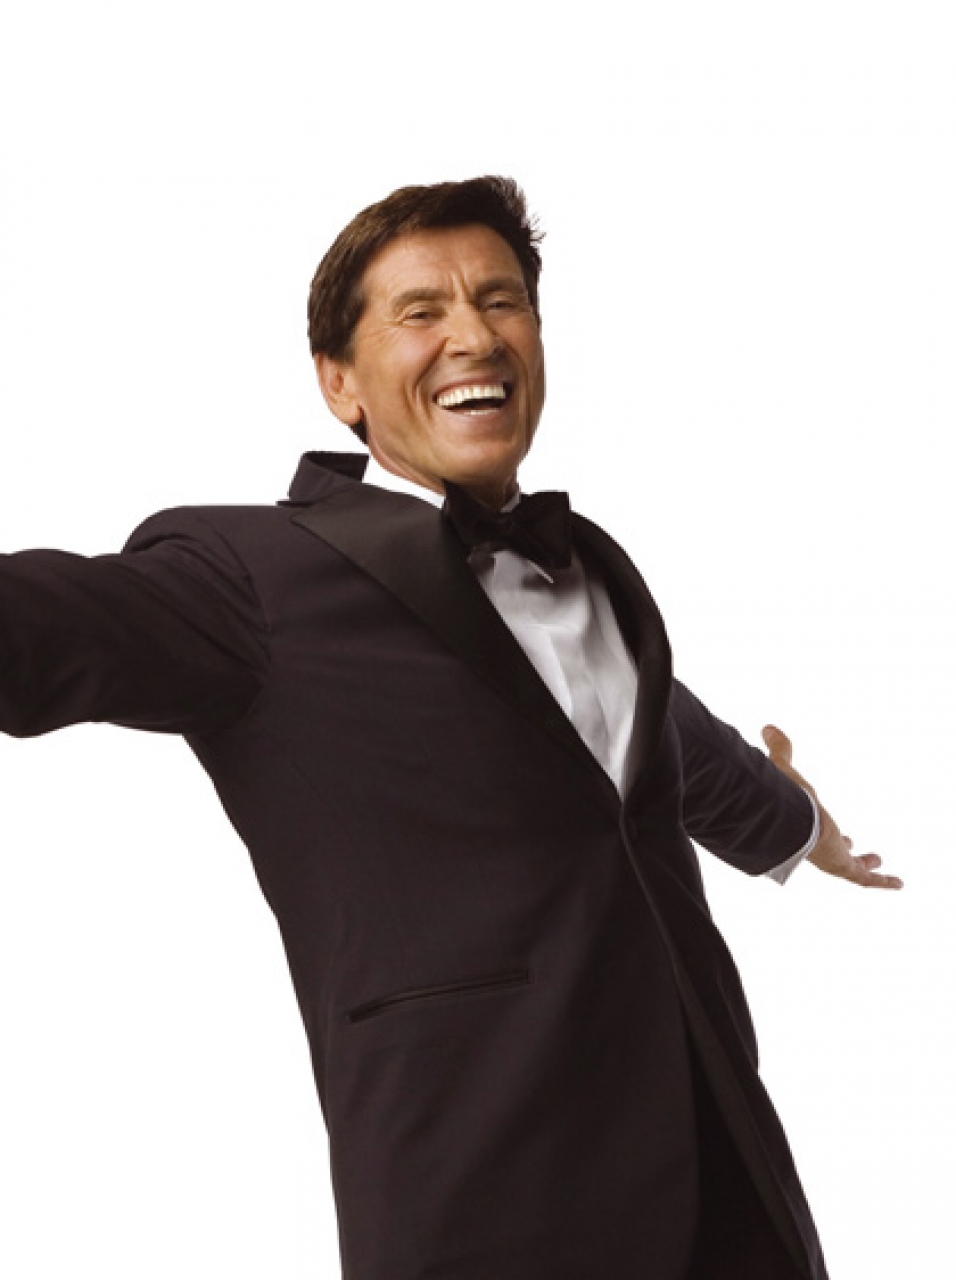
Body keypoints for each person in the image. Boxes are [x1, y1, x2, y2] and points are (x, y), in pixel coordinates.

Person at [0, 176, 901, 1279]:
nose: (473, 335)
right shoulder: (246, 579)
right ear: (339, 382)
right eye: (420, 311)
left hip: (723, 1171)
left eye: (500, 300)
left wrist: (796, 822)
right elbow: (50, 623)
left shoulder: (593, 569)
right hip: (488, 1197)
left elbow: (655, 739)